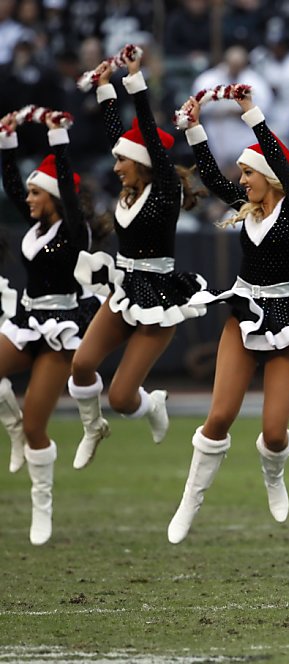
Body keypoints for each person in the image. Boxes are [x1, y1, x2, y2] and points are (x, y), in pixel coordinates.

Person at [166, 92, 289, 544]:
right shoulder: (247, 209)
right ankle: (189, 501)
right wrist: (194, 127)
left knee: (274, 432)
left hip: (288, 314)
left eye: (247, 173)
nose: (240, 181)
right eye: (241, 172)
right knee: (219, 416)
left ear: (270, 176)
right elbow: (209, 174)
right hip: (244, 311)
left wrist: (252, 116)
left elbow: (286, 171)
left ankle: (274, 474)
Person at [70, 57, 208, 469]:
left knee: (121, 397)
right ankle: (92, 428)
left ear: (144, 163)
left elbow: (146, 130)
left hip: (158, 297)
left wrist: (135, 80)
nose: (115, 167)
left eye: (123, 162)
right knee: (80, 365)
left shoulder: (164, 190)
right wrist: (104, 87)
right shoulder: (127, 187)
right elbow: (121, 136)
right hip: (123, 287)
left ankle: (151, 404)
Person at [0, 111, 109, 544]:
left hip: (61, 327)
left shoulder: (75, 231)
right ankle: (10, 424)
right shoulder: (35, 226)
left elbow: (64, 181)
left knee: (35, 428)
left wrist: (57, 136)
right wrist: (6, 141)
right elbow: (11, 186)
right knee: (16, 413)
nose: (27, 199)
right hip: (28, 320)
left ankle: (41, 505)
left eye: (35, 193)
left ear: (54, 197)